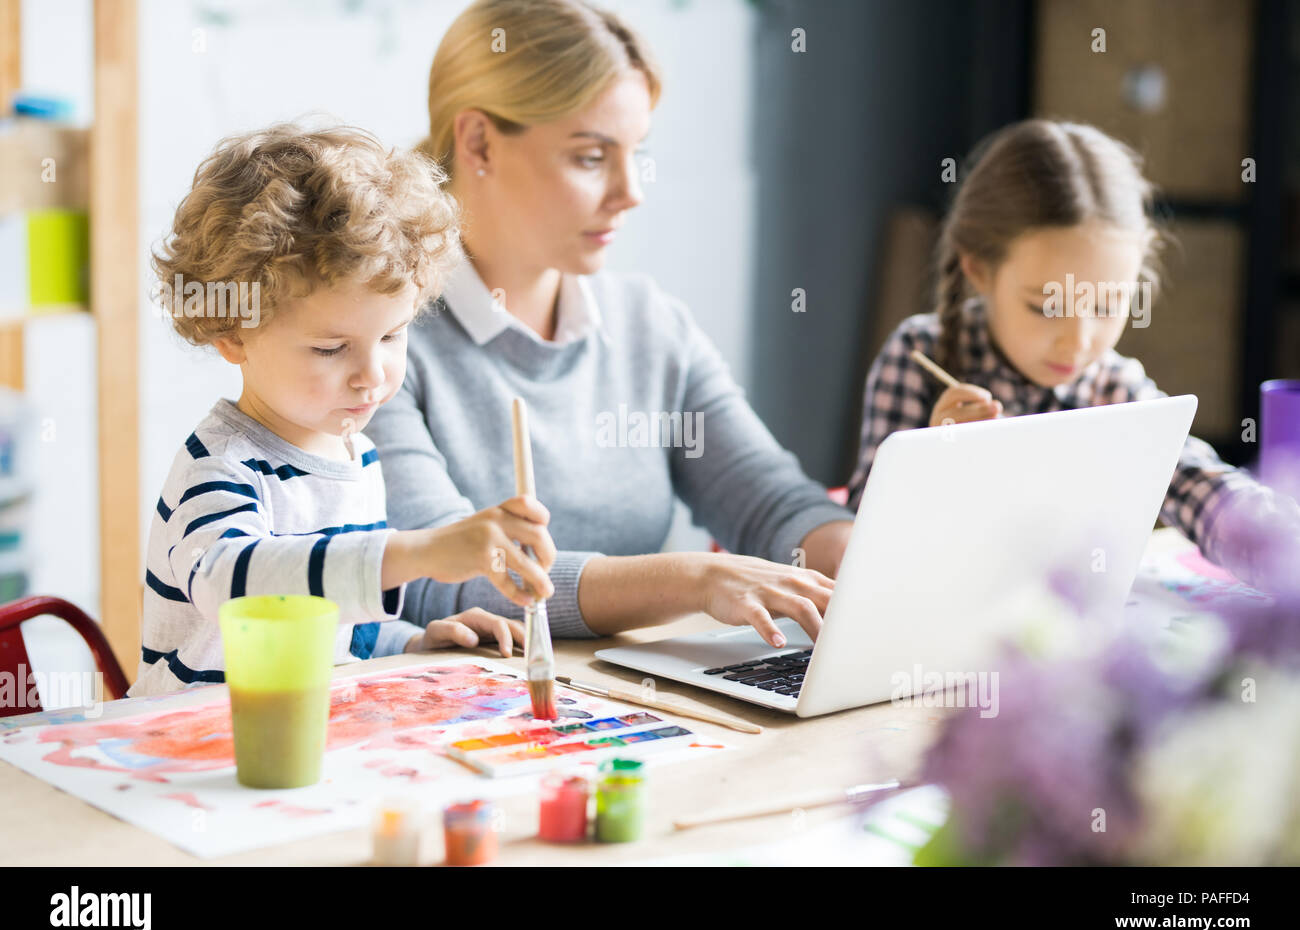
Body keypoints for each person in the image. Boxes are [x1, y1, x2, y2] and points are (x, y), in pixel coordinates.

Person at [367, 0, 854, 649]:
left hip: (626, 705)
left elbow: (774, 505)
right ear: (479, 141)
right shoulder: (378, 341)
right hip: (472, 719)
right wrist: (692, 580)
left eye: (635, 154)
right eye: (592, 157)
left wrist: (872, 563)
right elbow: (435, 577)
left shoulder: (648, 325)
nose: (632, 191)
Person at [131, 123, 555, 697]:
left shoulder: (356, 455)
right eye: (331, 349)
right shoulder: (219, 466)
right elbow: (235, 586)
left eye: (392, 336)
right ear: (232, 333)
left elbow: (335, 626)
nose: (372, 374)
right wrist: (419, 551)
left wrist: (412, 642)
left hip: (296, 738)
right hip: (185, 744)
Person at [847, 118, 1300, 592]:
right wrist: (935, 467)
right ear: (979, 271)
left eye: (1106, 306)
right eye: (1047, 307)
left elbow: (1204, 489)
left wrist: (1276, 545)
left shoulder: (1116, 390)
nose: (1078, 342)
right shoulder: (918, 357)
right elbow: (858, 545)